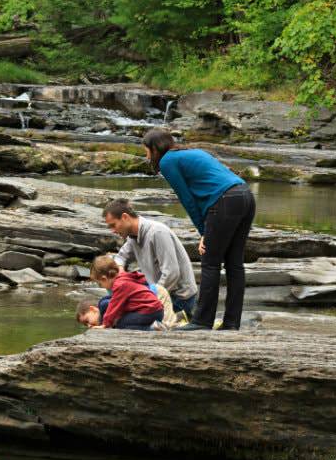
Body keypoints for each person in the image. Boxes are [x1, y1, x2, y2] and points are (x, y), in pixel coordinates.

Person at [142, 127, 254, 331]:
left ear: (155, 148)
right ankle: (231, 322)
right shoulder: (191, 152)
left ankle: (202, 321)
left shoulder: (168, 161)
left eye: (146, 150)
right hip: (245, 196)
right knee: (234, 264)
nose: (146, 155)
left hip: (224, 201)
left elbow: (188, 200)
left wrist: (204, 232)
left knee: (210, 262)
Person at [101, 198, 199, 322]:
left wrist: (148, 297)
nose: (113, 231)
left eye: (113, 225)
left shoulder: (157, 232)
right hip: (157, 291)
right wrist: (119, 272)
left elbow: (172, 273)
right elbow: (120, 257)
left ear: (125, 217)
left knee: (123, 319)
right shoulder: (133, 236)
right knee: (106, 304)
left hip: (178, 298)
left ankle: (180, 318)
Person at [78, 254, 166, 331]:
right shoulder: (124, 278)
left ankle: (152, 329)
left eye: (100, 283)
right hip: (156, 310)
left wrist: (105, 324)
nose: (101, 286)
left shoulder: (119, 285)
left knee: (121, 324)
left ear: (104, 279)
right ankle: (154, 325)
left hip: (149, 311)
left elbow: (114, 306)